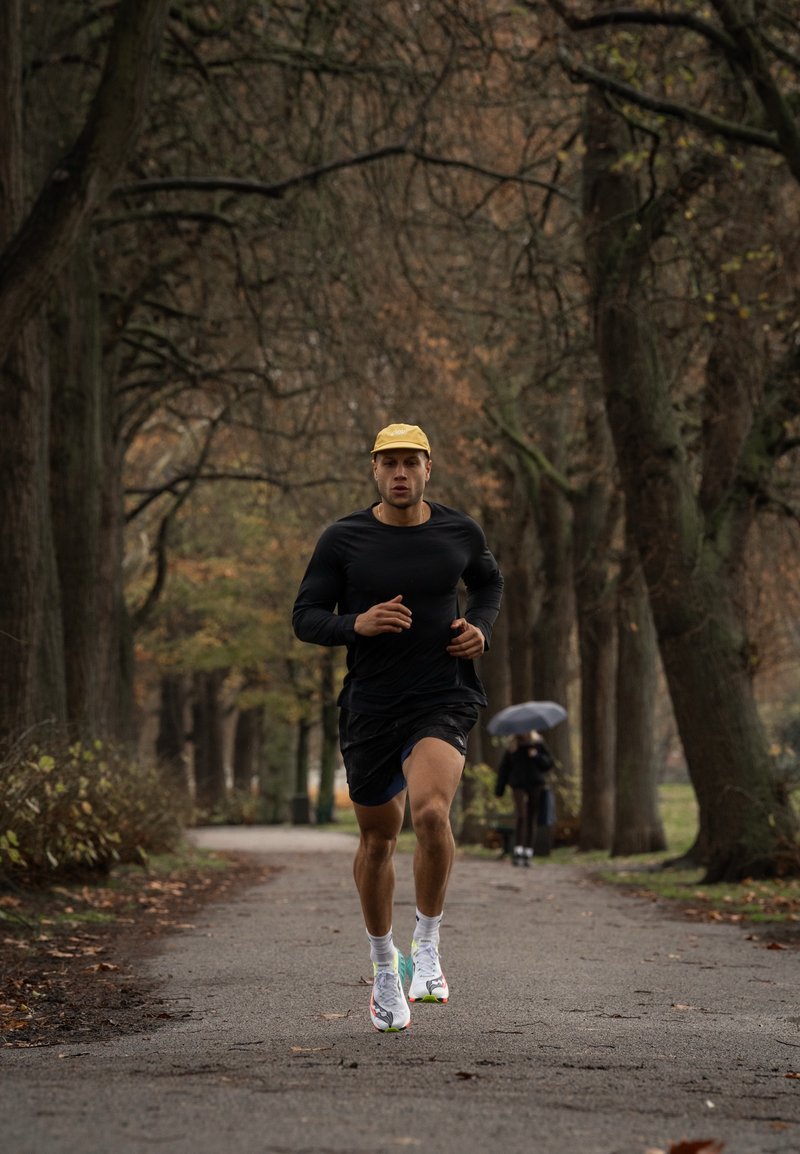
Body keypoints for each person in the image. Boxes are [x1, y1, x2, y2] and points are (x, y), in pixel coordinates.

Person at [292, 422, 504, 1032]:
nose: (401, 473)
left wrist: (481, 628)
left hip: (442, 693)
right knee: (379, 841)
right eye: (389, 464)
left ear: (429, 467)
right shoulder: (344, 539)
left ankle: (429, 943)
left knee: (432, 814)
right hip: (371, 705)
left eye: (411, 462)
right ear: (375, 472)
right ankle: (386, 966)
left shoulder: (460, 531)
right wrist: (355, 624)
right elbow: (306, 617)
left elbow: (487, 582)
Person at [494, 731, 554, 866]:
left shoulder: (538, 744)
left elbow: (549, 763)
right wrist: (499, 789)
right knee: (522, 815)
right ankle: (518, 851)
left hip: (536, 784)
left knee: (532, 817)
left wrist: (536, 755)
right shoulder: (512, 746)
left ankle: (528, 852)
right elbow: (504, 768)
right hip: (518, 784)